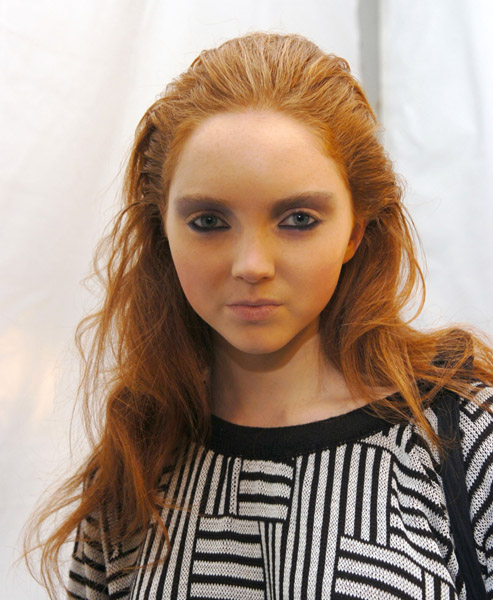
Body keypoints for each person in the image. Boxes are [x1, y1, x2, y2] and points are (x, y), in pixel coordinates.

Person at [25, 32, 493, 599]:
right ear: (161, 229)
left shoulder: (462, 435)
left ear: (356, 230)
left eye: (298, 219)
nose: (252, 265)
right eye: (208, 222)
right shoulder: (136, 461)